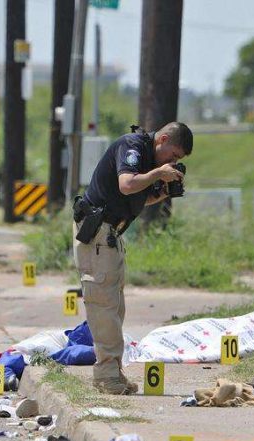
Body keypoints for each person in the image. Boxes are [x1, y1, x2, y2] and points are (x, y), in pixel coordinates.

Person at [72, 121, 194, 395]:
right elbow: (126, 185)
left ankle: (113, 371)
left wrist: (161, 190)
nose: (172, 162)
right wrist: (158, 173)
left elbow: (136, 197)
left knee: (115, 307)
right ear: (162, 139)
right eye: (173, 156)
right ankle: (106, 376)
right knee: (103, 305)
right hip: (98, 235)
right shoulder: (133, 146)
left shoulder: (149, 158)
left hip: (111, 235)